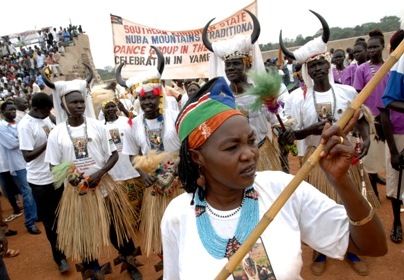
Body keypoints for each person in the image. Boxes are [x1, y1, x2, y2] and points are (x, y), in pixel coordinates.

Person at [161, 75, 387, 279]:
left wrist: (341, 182)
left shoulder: (283, 189)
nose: (249, 154)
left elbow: (373, 246)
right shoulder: (177, 215)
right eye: (232, 147)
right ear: (197, 157)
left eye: (251, 141)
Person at [280, 10, 378, 276]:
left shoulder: (346, 92)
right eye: (312, 66)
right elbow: (296, 134)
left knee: (350, 201)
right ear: (306, 71)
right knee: (318, 204)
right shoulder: (296, 99)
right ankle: (320, 250)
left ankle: (353, 249)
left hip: (344, 157)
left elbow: (360, 119)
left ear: (328, 64)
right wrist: (311, 130)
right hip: (315, 161)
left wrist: (366, 138)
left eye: (321, 63)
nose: (318, 68)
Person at [42, 65, 142, 280]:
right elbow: (52, 165)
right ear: (63, 104)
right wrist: (72, 178)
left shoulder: (98, 127)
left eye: (81, 101)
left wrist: (100, 173)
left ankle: (130, 262)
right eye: (73, 102)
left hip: (105, 187)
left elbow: (114, 155)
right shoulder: (56, 134)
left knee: (119, 229)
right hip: (78, 193)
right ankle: (93, 271)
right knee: (86, 236)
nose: (78, 105)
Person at [117, 46, 182, 276]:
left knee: (183, 224)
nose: (147, 104)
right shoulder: (133, 125)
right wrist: (143, 174)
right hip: (153, 184)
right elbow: (131, 153)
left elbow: (187, 145)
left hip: (178, 182)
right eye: (142, 101)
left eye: (151, 99)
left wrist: (181, 170)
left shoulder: (175, 118)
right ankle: (169, 267)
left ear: (159, 98)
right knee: (160, 228)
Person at [202, 9, 285, 172]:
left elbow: (278, 122)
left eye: (236, 63)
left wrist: (284, 132)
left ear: (247, 64)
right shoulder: (219, 100)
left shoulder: (263, 93)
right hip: (234, 162)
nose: (231, 68)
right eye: (228, 65)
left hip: (263, 156)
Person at [17, 92, 70, 273]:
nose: (49, 113)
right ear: (36, 109)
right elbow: (27, 156)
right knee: (50, 222)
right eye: (47, 110)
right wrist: (49, 142)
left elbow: (58, 124)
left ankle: (66, 246)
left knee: (63, 216)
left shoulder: (45, 117)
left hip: (57, 176)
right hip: (40, 181)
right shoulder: (25, 125)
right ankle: (60, 258)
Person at [353, 29, 389, 199]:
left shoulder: (390, 66)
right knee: (371, 159)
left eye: (375, 47)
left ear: (382, 46)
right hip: (371, 119)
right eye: (369, 48)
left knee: (389, 156)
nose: (372, 50)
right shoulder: (361, 70)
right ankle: (373, 192)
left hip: (391, 119)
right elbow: (358, 96)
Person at [100, 98, 144, 229]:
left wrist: (125, 110)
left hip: (131, 168)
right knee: (122, 202)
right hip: (115, 172)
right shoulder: (101, 127)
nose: (111, 109)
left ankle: (141, 222)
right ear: (103, 111)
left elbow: (140, 122)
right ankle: (129, 225)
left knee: (138, 198)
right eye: (107, 107)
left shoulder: (126, 121)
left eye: (113, 106)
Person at [0, 100, 40, 235]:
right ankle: (30, 223)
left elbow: (28, 139)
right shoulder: (1, 127)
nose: (12, 112)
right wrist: (25, 139)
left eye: (14, 110)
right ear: (3, 112)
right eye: (9, 110)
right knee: (27, 192)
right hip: (18, 164)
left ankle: (36, 215)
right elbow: (11, 144)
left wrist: (24, 138)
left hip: (29, 161)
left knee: (33, 189)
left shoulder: (19, 124)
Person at [380, 28, 404, 244]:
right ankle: (396, 221)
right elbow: (385, 109)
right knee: (396, 183)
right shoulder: (396, 69)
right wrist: (394, 151)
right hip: (399, 135)